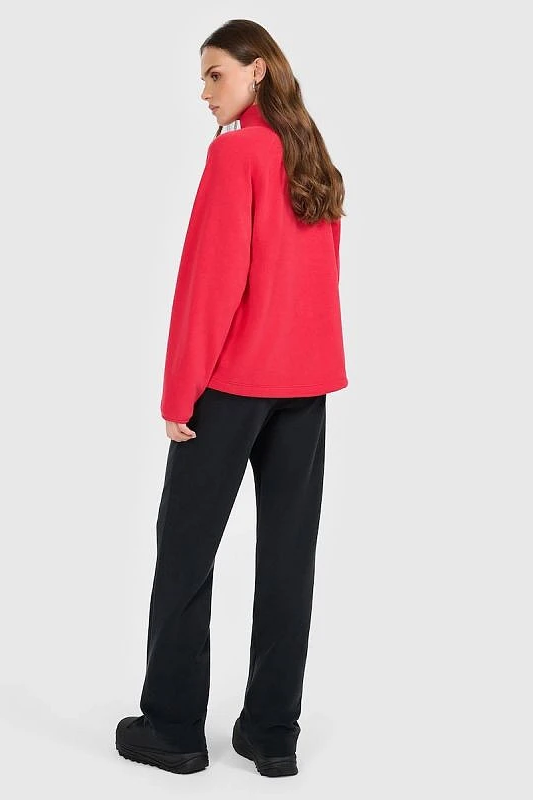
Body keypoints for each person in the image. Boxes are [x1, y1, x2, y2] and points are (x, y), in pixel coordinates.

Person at [115, 19, 348, 778]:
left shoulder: (237, 153)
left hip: (231, 386)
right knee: (288, 560)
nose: (205, 91)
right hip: (305, 387)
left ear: (257, 72)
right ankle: (273, 733)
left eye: (216, 74)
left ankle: (173, 726)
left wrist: (179, 394)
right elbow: (321, 278)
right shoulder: (310, 153)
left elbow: (209, 285)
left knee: (185, 554)